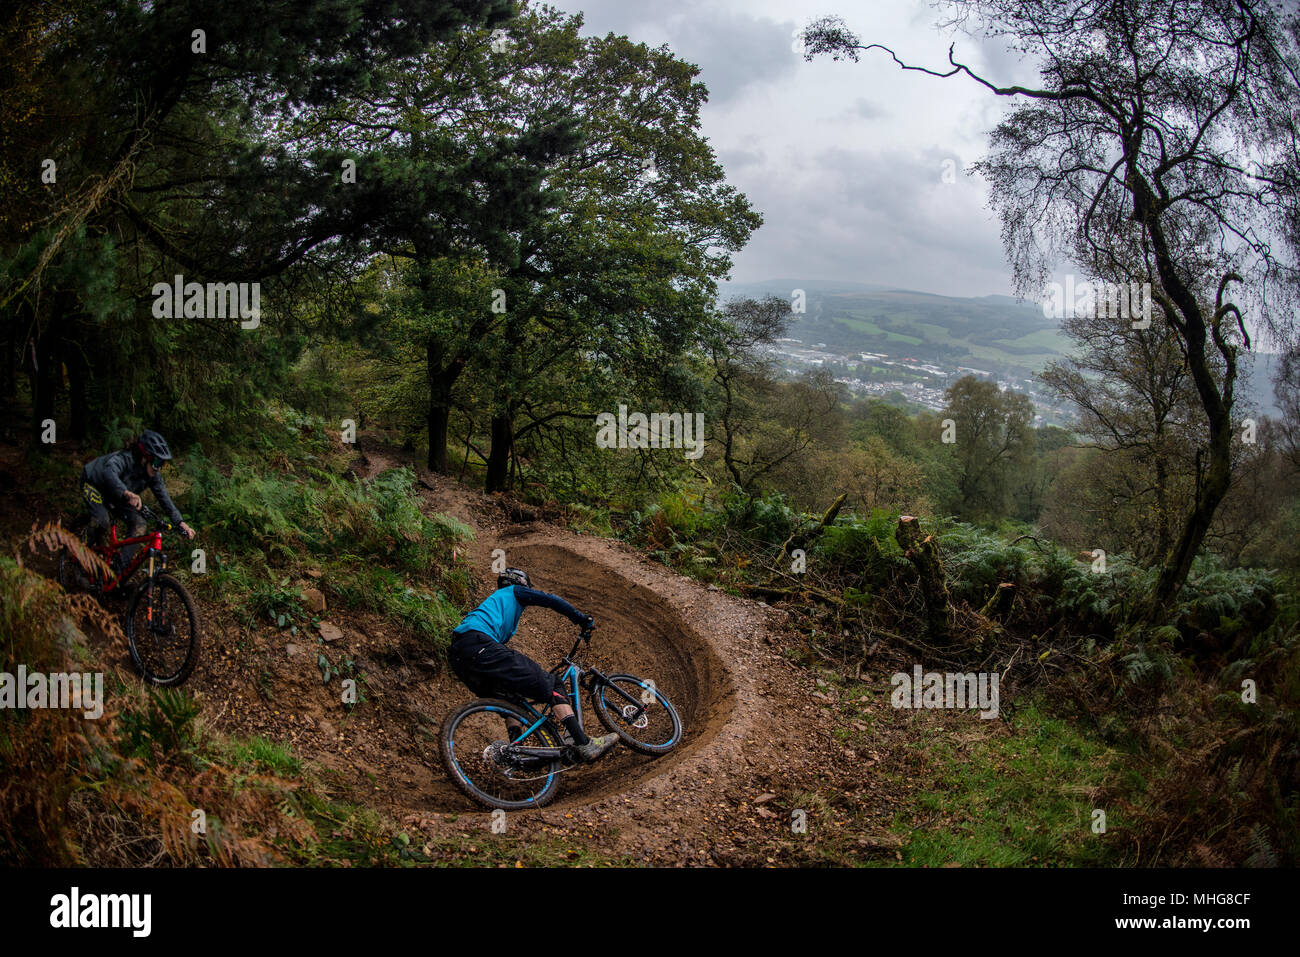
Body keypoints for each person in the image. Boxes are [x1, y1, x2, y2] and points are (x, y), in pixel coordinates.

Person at [449, 567, 619, 763]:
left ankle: (516, 752)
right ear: (520, 583)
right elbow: (550, 599)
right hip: (478, 644)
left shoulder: (495, 607)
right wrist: (581, 619)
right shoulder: (513, 592)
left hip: (460, 659)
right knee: (553, 684)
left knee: (511, 702)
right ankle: (584, 743)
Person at [78, 429, 194, 576]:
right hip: (94, 483)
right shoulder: (124, 459)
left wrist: (180, 522)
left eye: (162, 463)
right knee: (102, 521)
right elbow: (109, 472)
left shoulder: (153, 474)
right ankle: (78, 550)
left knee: (139, 524)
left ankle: (118, 569)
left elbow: (165, 499)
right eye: (157, 462)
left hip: (117, 495)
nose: (158, 468)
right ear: (144, 457)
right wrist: (127, 493)